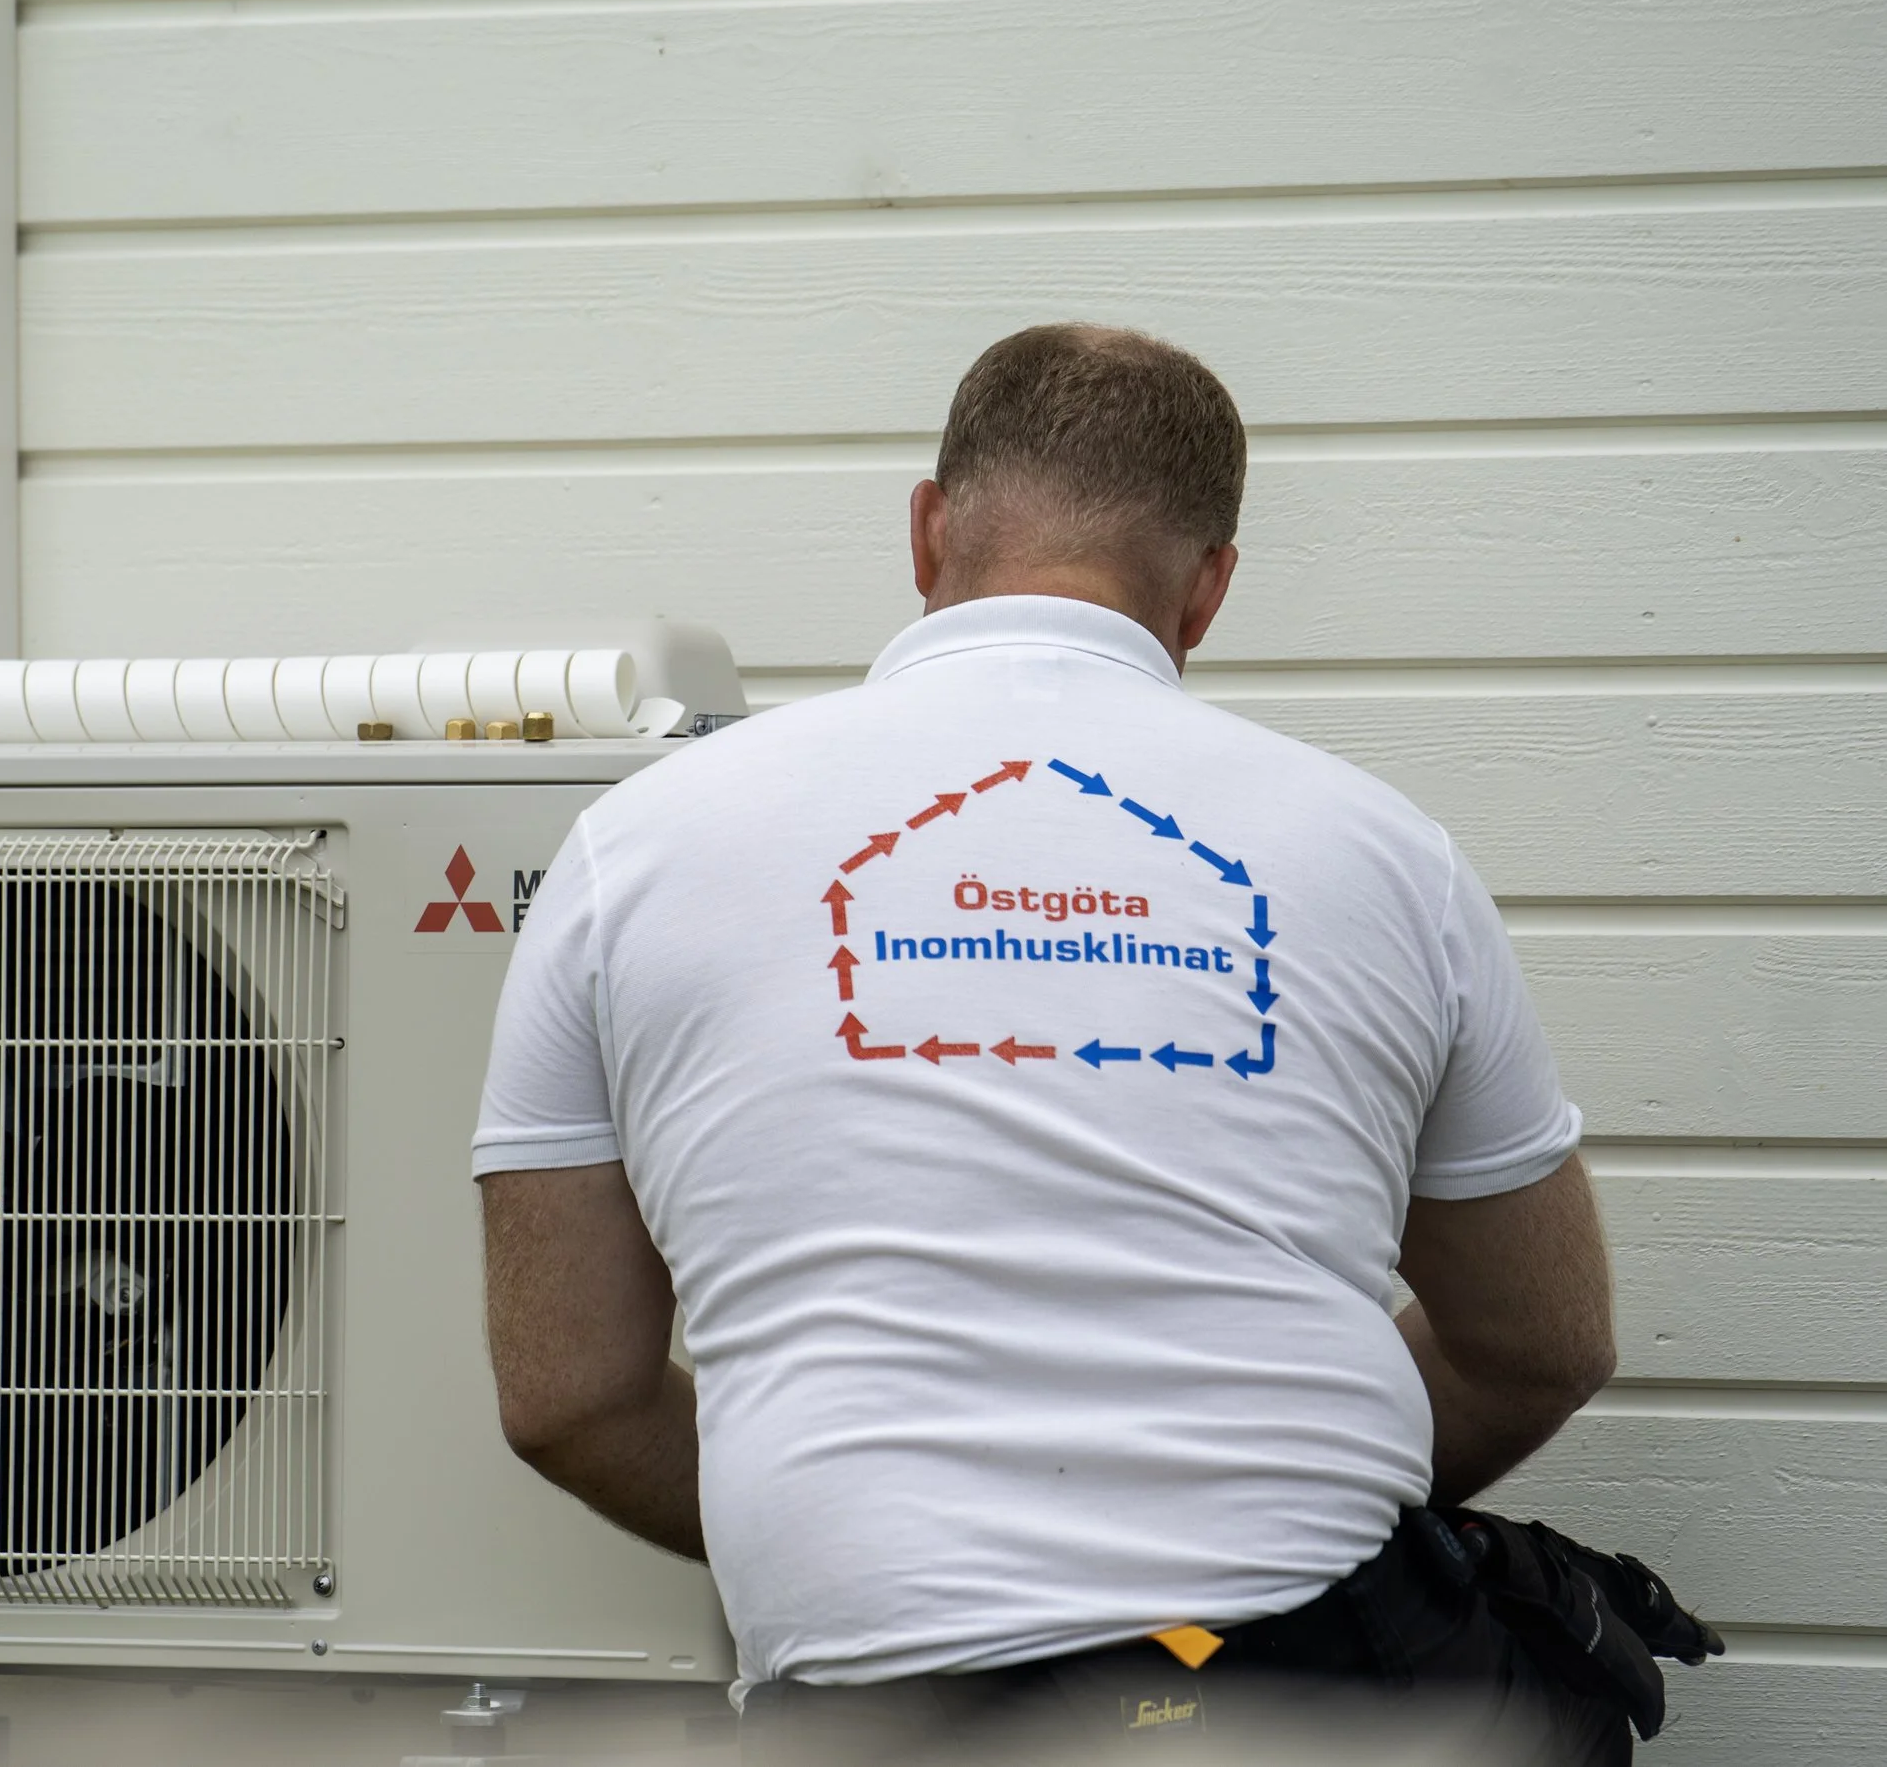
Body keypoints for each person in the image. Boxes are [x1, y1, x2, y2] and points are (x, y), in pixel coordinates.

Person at [472, 325, 1638, 1762]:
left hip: (885, 1706)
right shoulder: (1387, 853)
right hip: (1309, 1678)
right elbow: (1544, 1341)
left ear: (927, 529)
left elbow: (568, 1393)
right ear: (1208, 587)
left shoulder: (630, 853)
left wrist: (866, 1530)